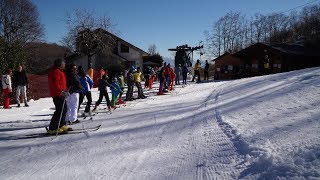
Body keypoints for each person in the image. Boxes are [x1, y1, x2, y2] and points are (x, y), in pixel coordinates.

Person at [47, 58, 71, 134]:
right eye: (63, 64)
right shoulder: (55, 72)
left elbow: (61, 83)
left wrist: (65, 90)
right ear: (59, 64)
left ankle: (61, 124)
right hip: (57, 94)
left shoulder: (60, 71)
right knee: (60, 110)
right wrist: (61, 92)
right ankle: (53, 127)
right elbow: (56, 84)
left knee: (64, 109)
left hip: (60, 94)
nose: (64, 65)